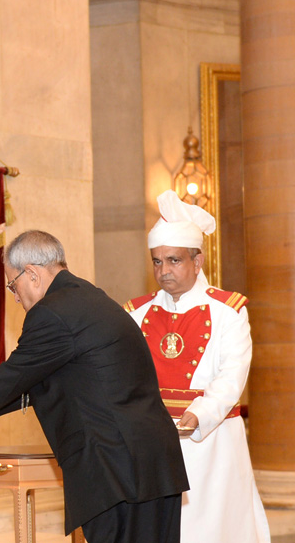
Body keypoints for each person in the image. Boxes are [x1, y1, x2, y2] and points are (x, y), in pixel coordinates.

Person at [0, 230, 188, 542]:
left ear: (31, 273)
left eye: (12, 285)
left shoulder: (53, 312)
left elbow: (13, 376)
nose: (15, 297)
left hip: (117, 470)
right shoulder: (91, 298)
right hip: (152, 462)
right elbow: (39, 383)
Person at [123, 190, 270, 542]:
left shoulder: (229, 310)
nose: (164, 271)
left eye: (173, 261)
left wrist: (201, 413)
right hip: (155, 442)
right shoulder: (135, 312)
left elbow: (233, 374)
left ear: (198, 260)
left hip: (213, 442)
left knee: (213, 528)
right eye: (157, 261)